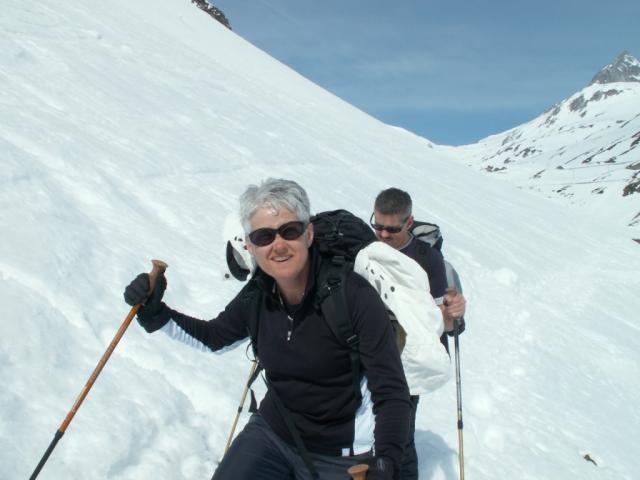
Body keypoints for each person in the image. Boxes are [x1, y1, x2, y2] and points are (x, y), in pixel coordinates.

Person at [124, 178, 411, 480]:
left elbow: (391, 391)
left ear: (309, 234)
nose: (279, 245)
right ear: (250, 245)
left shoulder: (352, 296)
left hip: (343, 453)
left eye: (290, 231)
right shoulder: (258, 295)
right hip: (273, 433)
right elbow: (214, 337)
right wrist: (156, 312)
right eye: (264, 236)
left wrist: (386, 462)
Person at [370, 187, 467, 480]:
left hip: (408, 362)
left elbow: (442, 324)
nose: (383, 234)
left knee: (400, 436)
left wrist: (452, 314)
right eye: (378, 225)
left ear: (409, 222)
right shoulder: (368, 249)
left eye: (392, 229)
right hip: (369, 353)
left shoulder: (428, 259)